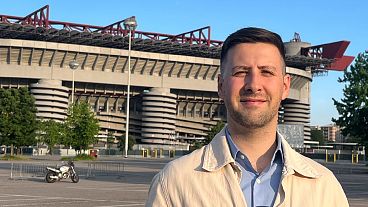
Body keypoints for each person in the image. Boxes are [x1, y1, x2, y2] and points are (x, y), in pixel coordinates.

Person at [146, 27, 349, 207]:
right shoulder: (174, 183)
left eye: (267, 72)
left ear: (285, 86)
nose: (253, 84)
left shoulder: (324, 187)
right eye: (241, 72)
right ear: (220, 86)